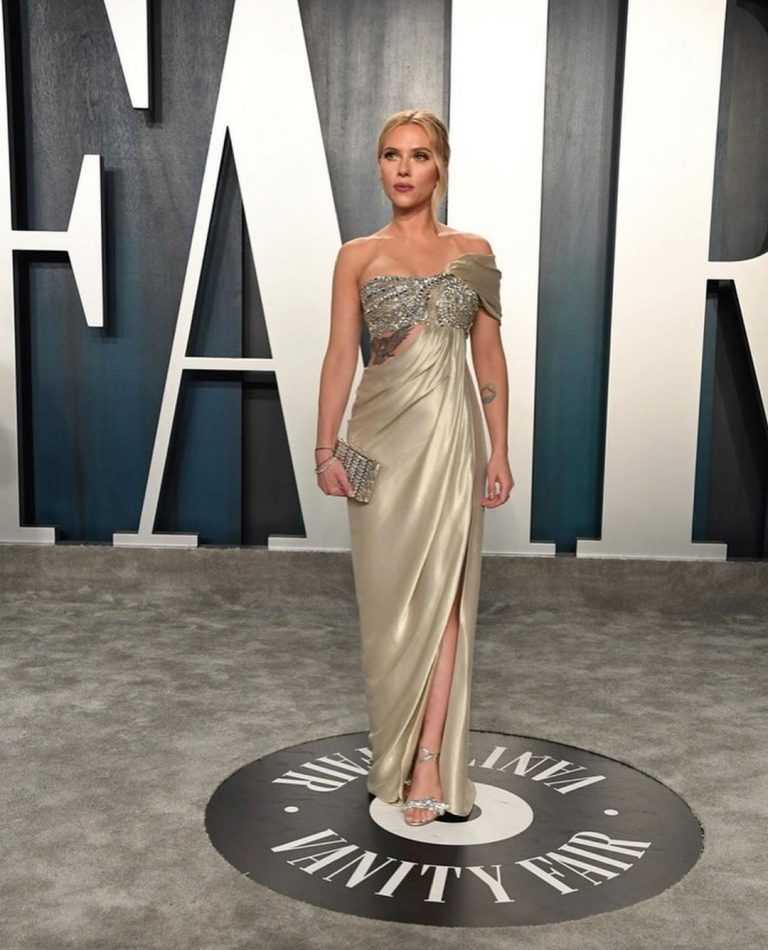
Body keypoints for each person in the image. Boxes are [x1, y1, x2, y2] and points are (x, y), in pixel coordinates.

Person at [315, 108, 513, 827]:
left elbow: (487, 355)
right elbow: (342, 354)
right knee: (386, 607)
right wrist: (325, 447)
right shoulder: (356, 256)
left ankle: (428, 759)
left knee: (445, 599)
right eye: (392, 155)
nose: (403, 168)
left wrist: (499, 448)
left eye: (419, 155)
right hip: (377, 441)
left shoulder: (473, 251)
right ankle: (392, 751)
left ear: (441, 167)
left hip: (451, 440)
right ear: (379, 165)